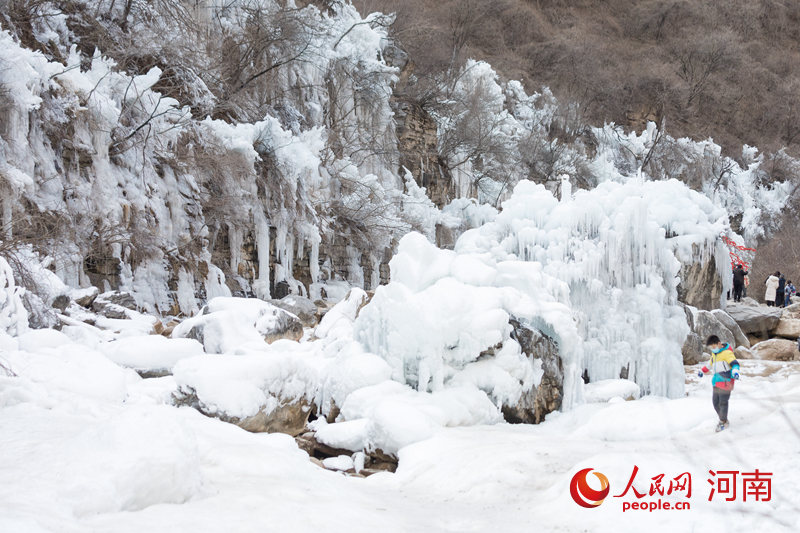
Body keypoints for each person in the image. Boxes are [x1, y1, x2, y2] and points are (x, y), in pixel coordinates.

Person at [698, 335, 740, 432]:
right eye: (711, 348)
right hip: (716, 381)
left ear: (719, 344)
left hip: (726, 381)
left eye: (714, 347)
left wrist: (735, 371)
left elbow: (735, 363)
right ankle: (723, 418)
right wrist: (702, 371)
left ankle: (723, 421)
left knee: (723, 402)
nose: (713, 349)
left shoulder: (727, 353)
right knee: (715, 402)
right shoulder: (714, 354)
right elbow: (710, 364)